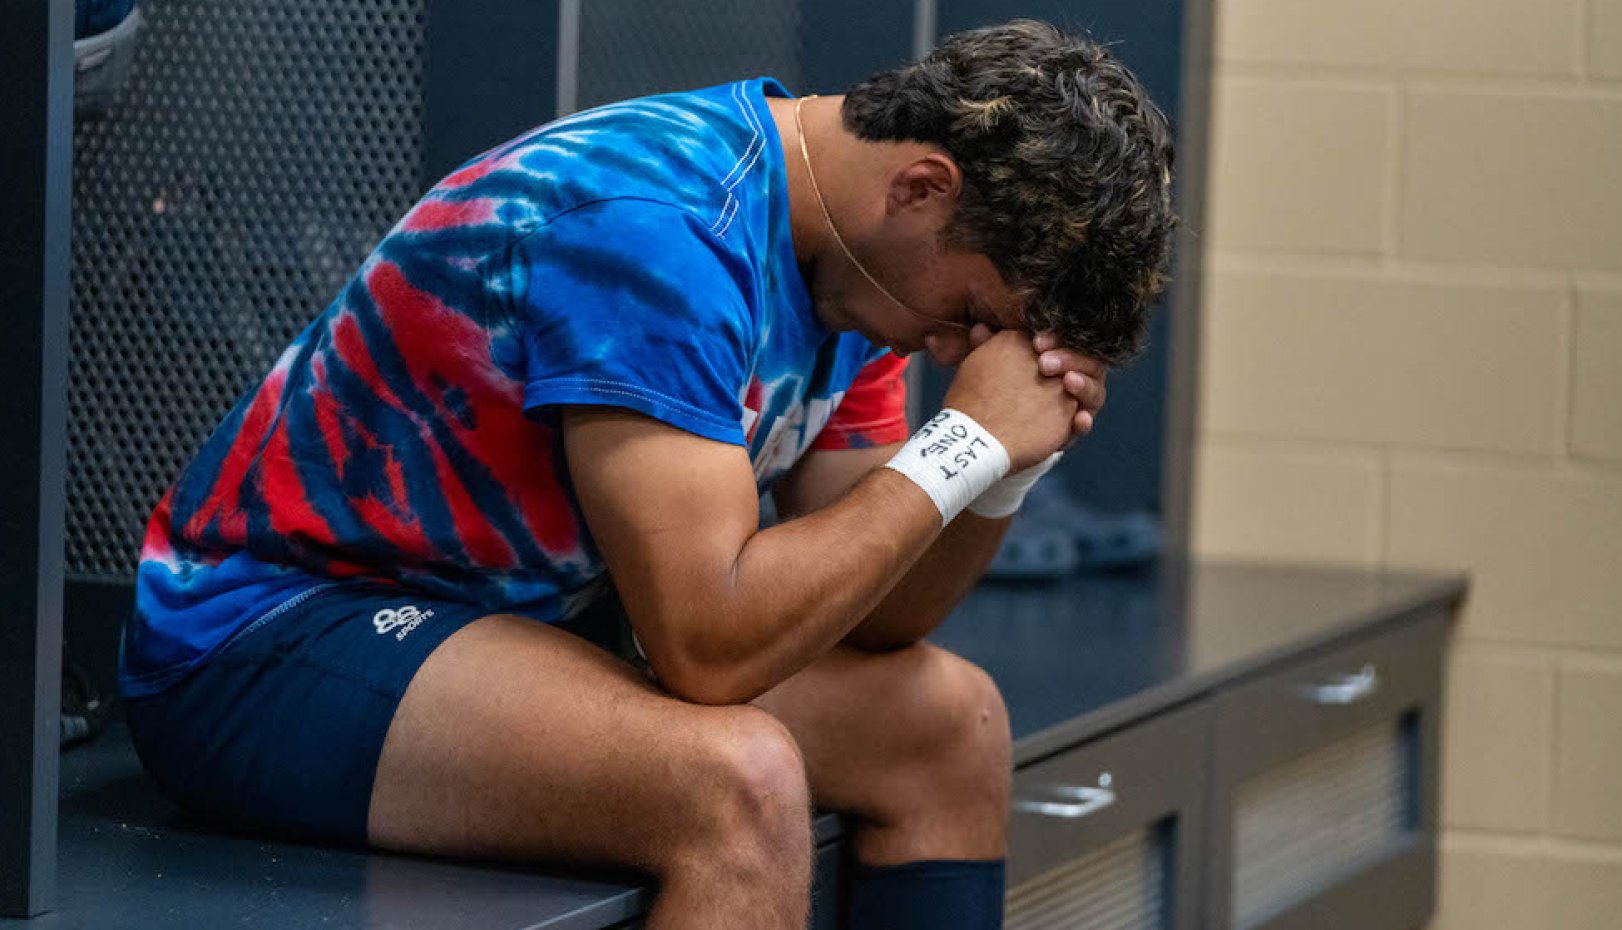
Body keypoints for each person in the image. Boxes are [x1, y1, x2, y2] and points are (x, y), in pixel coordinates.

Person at [118, 19, 1176, 930]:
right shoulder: (659, 228)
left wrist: (1000, 472)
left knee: (947, 724)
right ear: (921, 186)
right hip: (271, 641)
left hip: (527, 627)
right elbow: (711, 648)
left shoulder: (864, 274)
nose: (957, 352)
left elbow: (874, 617)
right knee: (734, 780)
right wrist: (957, 444)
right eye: (973, 316)